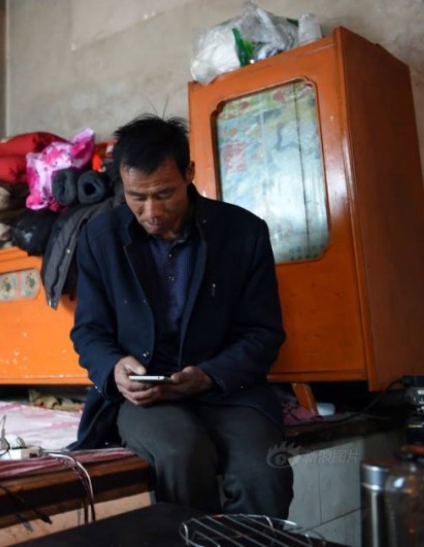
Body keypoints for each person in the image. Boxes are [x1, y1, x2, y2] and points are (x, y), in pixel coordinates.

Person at [68, 114, 294, 518]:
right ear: (122, 181)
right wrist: (116, 368)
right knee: (181, 452)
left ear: (189, 173)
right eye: (137, 196)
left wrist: (208, 375)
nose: (151, 211)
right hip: (147, 397)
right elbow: (89, 331)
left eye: (164, 193)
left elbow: (263, 333)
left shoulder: (244, 233)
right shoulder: (99, 238)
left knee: (264, 473)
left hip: (229, 390)